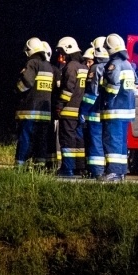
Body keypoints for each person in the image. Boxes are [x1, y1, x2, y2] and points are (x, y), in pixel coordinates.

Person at [99, 33, 138, 181]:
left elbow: (112, 86)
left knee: (112, 140)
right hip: (127, 110)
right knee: (121, 142)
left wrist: (104, 93)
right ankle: (121, 172)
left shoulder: (114, 64)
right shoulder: (128, 64)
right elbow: (136, 85)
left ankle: (113, 172)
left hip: (114, 110)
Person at [14, 37, 55, 167]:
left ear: (29, 50)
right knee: (41, 141)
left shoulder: (32, 63)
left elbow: (27, 82)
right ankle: (39, 168)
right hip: (44, 113)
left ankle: (20, 167)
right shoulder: (48, 66)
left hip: (29, 111)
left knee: (25, 139)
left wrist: (17, 89)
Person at [54, 37, 88, 177]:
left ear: (68, 50)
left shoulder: (71, 67)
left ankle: (67, 169)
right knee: (78, 139)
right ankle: (79, 167)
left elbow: (68, 89)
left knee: (67, 139)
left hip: (68, 110)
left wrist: (60, 105)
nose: (61, 55)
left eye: (62, 52)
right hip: (79, 110)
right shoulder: (84, 67)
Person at [80, 38, 110, 179]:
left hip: (95, 111)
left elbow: (91, 94)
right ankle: (110, 171)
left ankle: (97, 171)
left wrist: (83, 110)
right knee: (108, 142)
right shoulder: (113, 66)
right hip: (109, 113)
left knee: (95, 140)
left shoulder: (96, 68)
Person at [43, 41, 61, 169]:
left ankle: (48, 162)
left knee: (47, 136)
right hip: (51, 107)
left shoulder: (36, 67)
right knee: (50, 136)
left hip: (46, 107)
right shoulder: (55, 70)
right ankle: (51, 162)